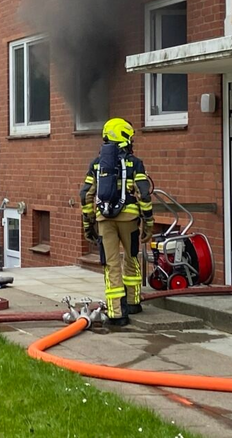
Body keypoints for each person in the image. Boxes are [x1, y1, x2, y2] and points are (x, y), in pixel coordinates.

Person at [80, 118, 154, 327]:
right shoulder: (135, 163)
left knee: (110, 264)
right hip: (129, 220)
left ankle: (116, 313)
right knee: (131, 258)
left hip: (104, 221)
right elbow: (144, 195)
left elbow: (85, 194)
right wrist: (148, 222)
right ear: (124, 137)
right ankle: (132, 302)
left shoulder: (96, 165)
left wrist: (89, 223)